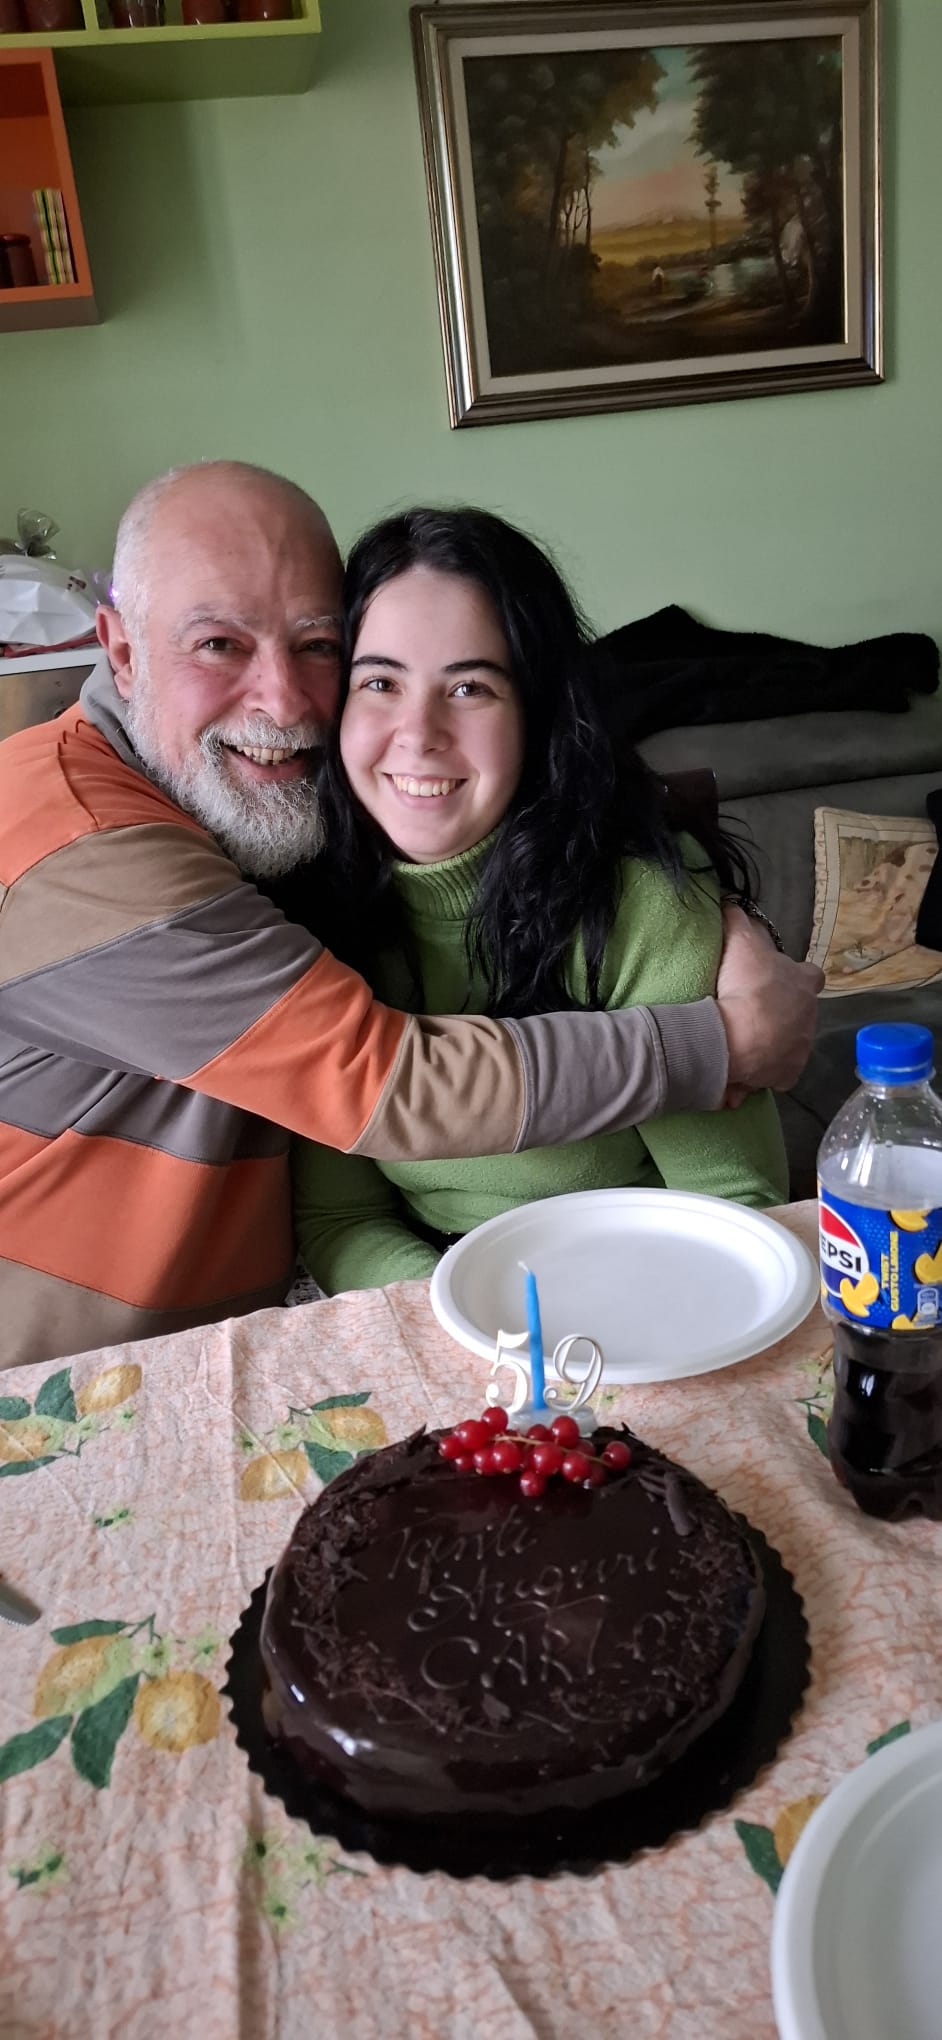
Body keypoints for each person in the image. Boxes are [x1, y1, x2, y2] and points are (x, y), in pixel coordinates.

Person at [0, 463, 821, 1369]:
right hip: (73, 1375)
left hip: (610, 1334)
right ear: (121, 652)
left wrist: (705, 904)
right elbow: (374, 1097)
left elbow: (735, 1215)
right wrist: (727, 1041)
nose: (283, 700)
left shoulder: (271, 833)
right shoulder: (94, 846)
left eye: (317, 646)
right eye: (219, 644)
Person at [292, 507, 791, 1294]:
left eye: (470, 687)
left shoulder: (641, 901)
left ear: (536, 711)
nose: (418, 733)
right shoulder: (308, 909)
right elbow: (339, 1217)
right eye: (380, 682)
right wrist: (466, 1314)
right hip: (426, 1293)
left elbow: (736, 1204)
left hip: (636, 1284)